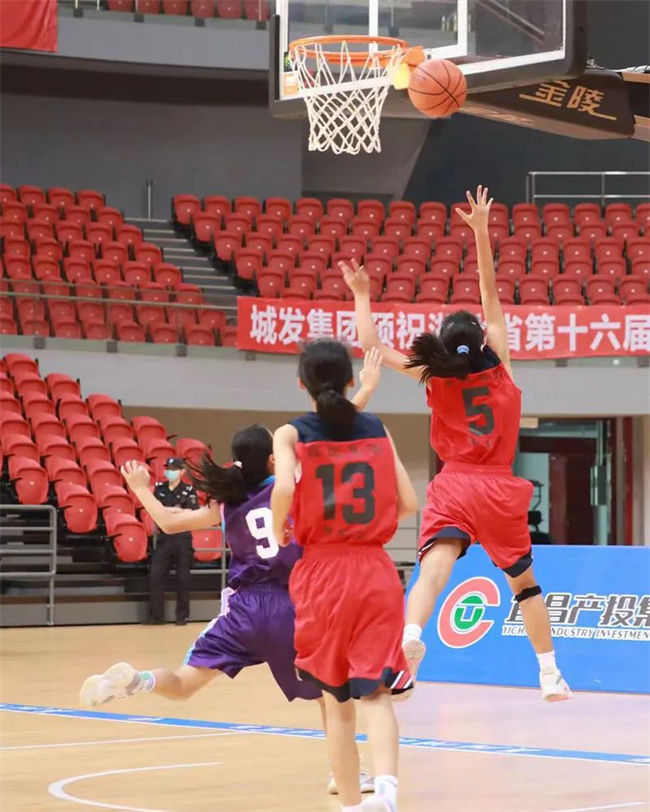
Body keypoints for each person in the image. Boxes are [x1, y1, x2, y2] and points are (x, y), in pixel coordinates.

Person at [79, 350, 385, 797]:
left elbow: (167, 522)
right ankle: (346, 776)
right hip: (295, 607)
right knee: (330, 697)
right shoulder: (293, 488)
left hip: (243, 609)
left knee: (184, 684)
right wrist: (368, 388)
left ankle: (138, 681)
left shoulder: (225, 504)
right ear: (273, 462)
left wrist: (141, 489)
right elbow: (332, 433)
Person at [340, 185, 571, 703]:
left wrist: (361, 295)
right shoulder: (501, 366)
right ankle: (549, 672)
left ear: (444, 347)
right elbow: (490, 292)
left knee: (434, 566)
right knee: (525, 586)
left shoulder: (434, 375)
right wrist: (481, 232)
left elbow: (371, 345)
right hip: (499, 488)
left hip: (455, 484)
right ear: (483, 341)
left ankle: (412, 634)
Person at [272, 338, 418, 812]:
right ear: (351, 379)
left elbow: (284, 487)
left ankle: (353, 805)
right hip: (376, 570)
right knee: (377, 694)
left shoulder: (290, 434)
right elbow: (409, 503)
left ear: (301, 385)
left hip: (323, 572)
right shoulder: (377, 428)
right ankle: (388, 793)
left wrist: (279, 528)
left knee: (337, 704)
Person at [148, 456, 199, 625]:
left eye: (173, 469)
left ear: (182, 472)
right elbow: (155, 511)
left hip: (182, 537)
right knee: (155, 575)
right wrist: (176, 510)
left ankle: (182, 616)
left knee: (183, 578)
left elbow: (191, 512)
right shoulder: (159, 488)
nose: (169, 472)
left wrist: (168, 511)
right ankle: (157, 616)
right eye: (168, 469)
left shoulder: (189, 490)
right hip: (164, 537)